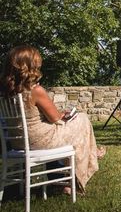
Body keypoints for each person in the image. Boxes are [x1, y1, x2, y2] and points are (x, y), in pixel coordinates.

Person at [0, 45, 103, 194]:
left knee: (63, 126)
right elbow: (55, 117)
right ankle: (80, 170)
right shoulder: (35, 90)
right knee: (82, 119)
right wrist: (64, 114)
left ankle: (84, 158)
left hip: (18, 142)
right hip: (40, 141)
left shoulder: (4, 92)